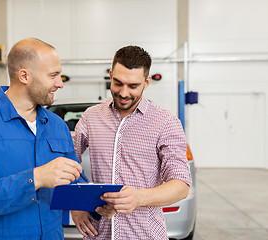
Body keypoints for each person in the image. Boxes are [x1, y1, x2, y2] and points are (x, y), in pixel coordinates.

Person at [0, 38, 86, 240]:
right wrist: (36, 179)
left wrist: (93, 201)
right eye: (53, 75)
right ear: (24, 76)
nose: (60, 83)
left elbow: (74, 179)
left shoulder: (57, 126)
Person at [71, 45, 192, 240]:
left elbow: (181, 185)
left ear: (146, 82)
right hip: (99, 234)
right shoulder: (91, 117)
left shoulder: (166, 122)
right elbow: (67, 164)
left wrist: (139, 197)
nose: (124, 93)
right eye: (118, 83)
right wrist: (75, 206)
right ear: (110, 75)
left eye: (133, 86)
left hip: (144, 234)